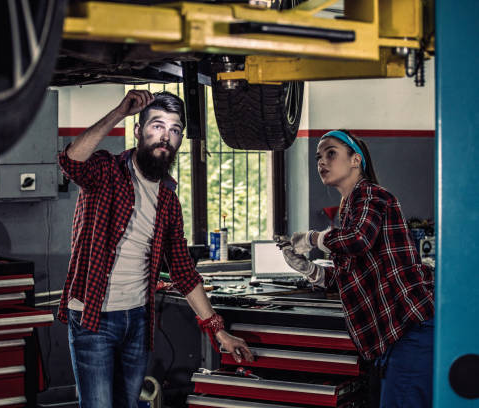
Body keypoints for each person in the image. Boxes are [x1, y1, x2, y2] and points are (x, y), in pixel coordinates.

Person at [57, 89, 253, 408]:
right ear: (138, 131)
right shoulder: (107, 172)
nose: (166, 137)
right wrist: (120, 111)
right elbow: (70, 161)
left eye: (174, 130)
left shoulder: (168, 201)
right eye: (157, 126)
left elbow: (183, 272)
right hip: (93, 318)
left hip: (136, 319)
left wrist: (219, 331)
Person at [282, 129, 434, 407]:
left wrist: (314, 238)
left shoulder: (373, 194)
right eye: (318, 157)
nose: (321, 162)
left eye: (331, 153)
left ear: (356, 160)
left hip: (411, 328)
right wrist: (309, 270)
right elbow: (344, 277)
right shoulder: (351, 209)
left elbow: (358, 240)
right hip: (393, 337)